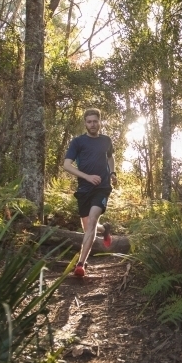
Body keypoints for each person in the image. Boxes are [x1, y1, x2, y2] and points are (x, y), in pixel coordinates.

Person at [62, 108, 117, 278]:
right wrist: (87, 177)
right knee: (88, 228)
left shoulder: (106, 140)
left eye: (95, 121)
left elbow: (110, 157)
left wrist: (113, 173)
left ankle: (81, 264)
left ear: (100, 122)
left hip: (102, 187)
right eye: (89, 121)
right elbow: (67, 165)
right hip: (84, 189)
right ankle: (105, 229)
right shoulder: (78, 142)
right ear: (85, 123)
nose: (93, 124)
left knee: (92, 221)